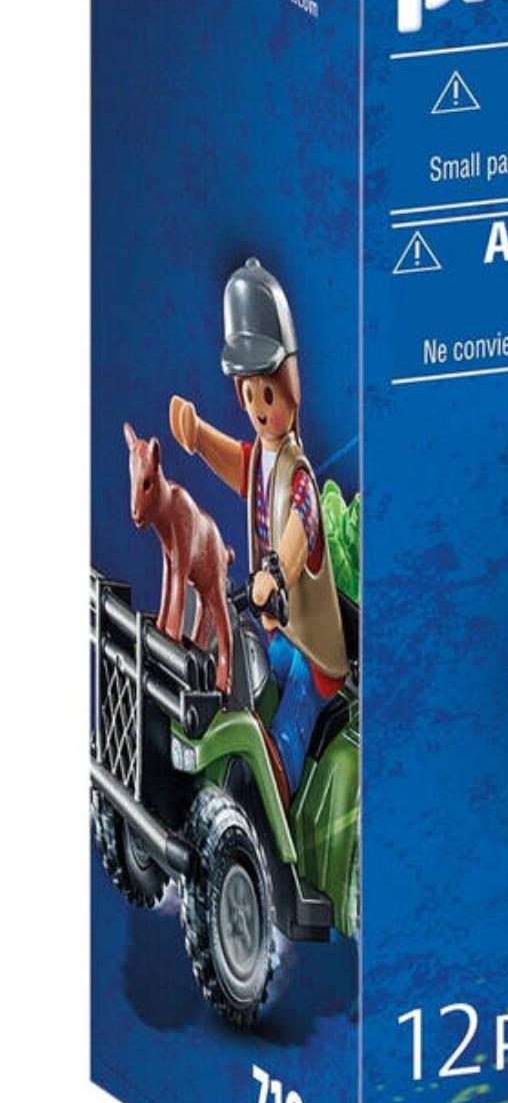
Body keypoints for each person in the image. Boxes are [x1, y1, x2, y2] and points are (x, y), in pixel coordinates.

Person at [169, 259, 349, 795]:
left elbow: (300, 530)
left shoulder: (300, 476)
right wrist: (198, 436)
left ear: (289, 386)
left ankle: (276, 798)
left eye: (266, 395)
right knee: (252, 683)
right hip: (279, 633)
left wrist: (274, 573)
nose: (258, 408)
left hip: (314, 650)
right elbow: (239, 464)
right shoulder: (263, 461)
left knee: (292, 714)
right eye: (250, 396)